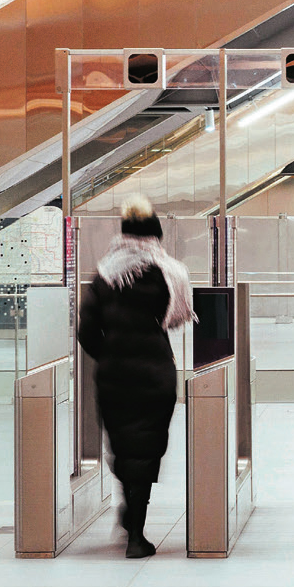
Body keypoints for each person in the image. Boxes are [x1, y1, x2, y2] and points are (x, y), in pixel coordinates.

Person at [77, 195, 194, 558]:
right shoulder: (170, 273)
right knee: (147, 448)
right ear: (155, 235)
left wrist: (110, 356)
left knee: (122, 447)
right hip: (155, 374)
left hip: (114, 377)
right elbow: (174, 320)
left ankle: (128, 512)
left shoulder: (105, 275)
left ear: (124, 234)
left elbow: (86, 332)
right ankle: (136, 534)